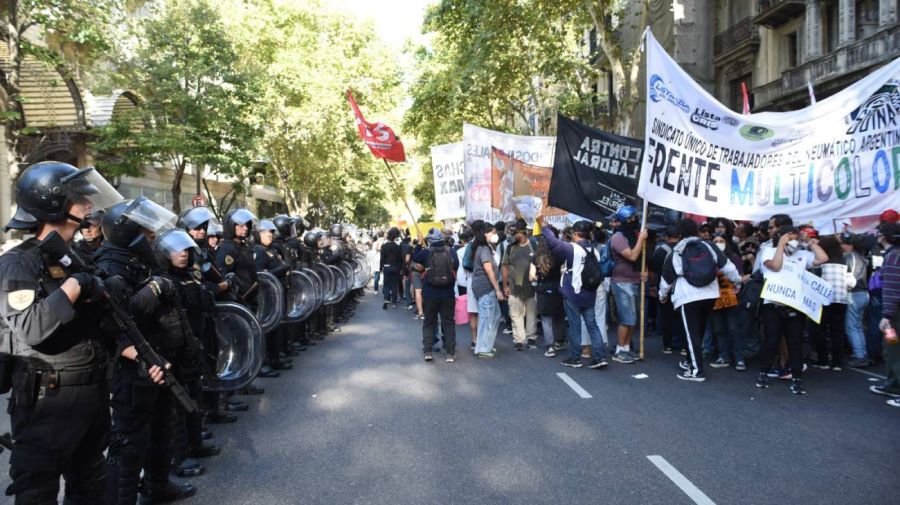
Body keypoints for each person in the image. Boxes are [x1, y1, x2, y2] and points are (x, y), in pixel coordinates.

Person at [0, 162, 127, 504]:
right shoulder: (19, 263)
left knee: (90, 487)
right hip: (47, 401)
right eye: (78, 197)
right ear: (52, 203)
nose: (88, 203)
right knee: (37, 493)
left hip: (90, 395)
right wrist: (74, 286)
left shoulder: (75, 257)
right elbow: (32, 327)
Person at [95, 198, 197, 504]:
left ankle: (157, 485)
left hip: (160, 360)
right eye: (146, 230)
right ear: (128, 233)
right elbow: (114, 323)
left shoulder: (138, 261)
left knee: (160, 429)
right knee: (130, 441)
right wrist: (154, 289)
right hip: (134, 369)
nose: (152, 235)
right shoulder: (110, 268)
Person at [659, 219, 741, 382]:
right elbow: (727, 266)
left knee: (691, 334)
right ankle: (690, 361)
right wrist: (737, 281)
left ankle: (696, 371)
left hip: (687, 296)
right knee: (699, 332)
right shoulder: (709, 246)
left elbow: (666, 279)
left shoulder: (676, 252)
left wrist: (663, 296)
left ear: (680, 233)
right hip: (710, 294)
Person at [755, 223, 828, 395]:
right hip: (773, 305)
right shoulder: (769, 251)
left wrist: (809, 242)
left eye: (796, 236)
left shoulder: (802, 255)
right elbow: (775, 266)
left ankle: (797, 377)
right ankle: (763, 373)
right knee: (771, 341)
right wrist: (781, 244)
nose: (794, 240)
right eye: (791, 236)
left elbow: (823, 258)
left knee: (795, 343)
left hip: (794, 306)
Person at [538, 216, 608, 369]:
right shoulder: (595, 251)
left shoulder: (573, 249)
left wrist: (543, 225)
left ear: (576, 234)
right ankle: (600, 356)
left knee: (575, 326)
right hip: (590, 294)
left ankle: (575, 358)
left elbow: (553, 242)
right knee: (592, 325)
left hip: (573, 294)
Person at [608, 205, 648, 364]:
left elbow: (641, 257)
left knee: (632, 318)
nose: (634, 221)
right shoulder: (618, 237)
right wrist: (641, 239)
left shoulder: (633, 235)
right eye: (631, 219)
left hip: (634, 280)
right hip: (622, 283)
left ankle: (626, 348)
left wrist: (644, 271)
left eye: (635, 218)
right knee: (626, 318)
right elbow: (631, 256)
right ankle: (619, 350)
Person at [414, 228, 460, 362]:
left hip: (430, 293)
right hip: (448, 293)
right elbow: (455, 267)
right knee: (448, 322)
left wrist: (419, 243)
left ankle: (428, 351)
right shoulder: (451, 251)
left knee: (429, 322)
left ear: (430, 240)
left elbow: (415, 258)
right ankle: (450, 353)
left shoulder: (426, 252)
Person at [868, 222, 900, 406]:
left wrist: (886, 315)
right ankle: (892, 384)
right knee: (891, 347)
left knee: (894, 349)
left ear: (883, 236)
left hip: (894, 313)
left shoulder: (893, 256)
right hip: (894, 311)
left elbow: (892, 289)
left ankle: (895, 385)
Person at [812, 235, 852, 371]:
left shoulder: (820, 262)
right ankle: (837, 363)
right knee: (838, 331)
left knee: (821, 331)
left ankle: (823, 360)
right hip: (841, 299)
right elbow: (850, 282)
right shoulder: (844, 261)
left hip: (823, 300)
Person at [709, 232, 746, 370]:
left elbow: (740, 275)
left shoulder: (734, 257)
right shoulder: (708, 258)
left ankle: (739, 358)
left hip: (731, 298)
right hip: (715, 297)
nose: (719, 244)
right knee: (719, 329)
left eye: (721, 241)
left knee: (734, 328)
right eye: (716, 241)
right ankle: (723, 356)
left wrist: (738, 286)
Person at [502, 219, 537, 351]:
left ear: (522, 233)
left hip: (532, 287)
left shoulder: (534, 245)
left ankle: (531, 337)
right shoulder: (510, 247)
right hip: (514, 287)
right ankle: (519, 340)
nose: (512, 236)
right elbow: (505, 267)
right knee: (515, 315)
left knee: (531, 314)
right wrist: (505, 285)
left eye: (515, 233)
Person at [471, 221, 504, 358]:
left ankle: (486, 345)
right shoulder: (484, 249)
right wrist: (498, 289)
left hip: (485, 287)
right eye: (492, 232)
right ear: (485, 234)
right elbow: (489, 270)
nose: (494, 235)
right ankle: (483, 348)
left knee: (494, 316)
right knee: (487, 317)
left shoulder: (484, 247)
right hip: (485, 287)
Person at [841, 232, 872, 367]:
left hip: (853, 294)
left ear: (849, 245)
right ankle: (862, 354)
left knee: (851, 327)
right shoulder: (861, 257)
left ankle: (859, 356)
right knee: (858, 326)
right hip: (864, 293)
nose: (841, 246)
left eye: (843, 243)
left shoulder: (848, 257)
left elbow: (845, 276)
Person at [534, 227, 565, 357]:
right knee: (559, 315)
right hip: (557, 287)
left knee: (546, 318)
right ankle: (559, 340)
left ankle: (550, 346)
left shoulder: (536, 258)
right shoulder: (559, 256)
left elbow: (531, 276)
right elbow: (563, 270)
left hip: (542, 289)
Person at [649, 225, 681, 354]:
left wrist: (652, 286)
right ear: (679, 236)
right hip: (681, 288)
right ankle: (682, 345)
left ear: (666, 237)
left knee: (666, 316)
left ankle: (667, 345)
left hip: (664, 286)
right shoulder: (684, 249)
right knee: (680, 317)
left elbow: (652, 271)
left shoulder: (660, 251)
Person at [380, 227, 403, 309]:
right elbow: (400, 259)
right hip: (395, 267)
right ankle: (394, 301)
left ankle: (386, 299)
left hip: (386, 266)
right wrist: (400, 268)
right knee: (394, 284)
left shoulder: (384, 246)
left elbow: (382, 258)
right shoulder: (398, 247)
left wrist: (381, 267)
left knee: (386, 284)